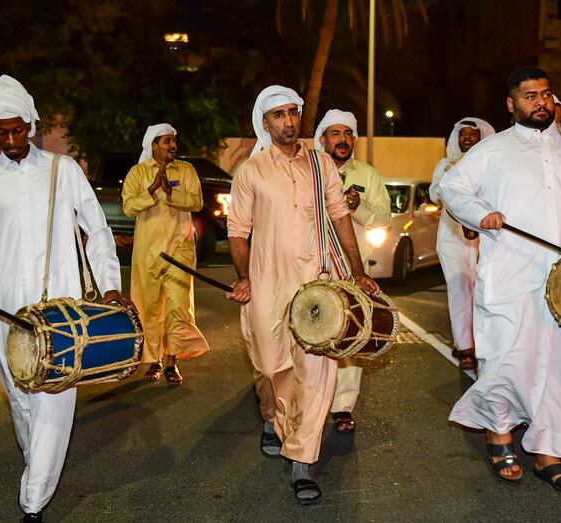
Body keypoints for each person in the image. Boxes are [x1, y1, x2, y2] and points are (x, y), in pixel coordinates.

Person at [438, 67, 561, 495]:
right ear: (511, 105)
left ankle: (551, 453)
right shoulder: (494, 149)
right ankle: (499, 434)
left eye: (546, 94)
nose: (541, 103)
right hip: (512, 275)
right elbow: (453, 187)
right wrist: (480, 214)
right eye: (530, 96)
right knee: (507, 360)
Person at [0, 75, 130, 522]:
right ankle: (36, 474)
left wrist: (110, 287)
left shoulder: (64, 171)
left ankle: (32, 504)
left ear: (32, 123)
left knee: (52, 406)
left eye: (18, 130)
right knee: (22, 402)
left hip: (59, 315)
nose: (11, 140)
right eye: (1, 133)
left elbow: (97, 231)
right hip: (0, 311)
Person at [226, 85, 380, 504]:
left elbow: (340, 217)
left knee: (315, 373)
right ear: (265, 122)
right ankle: (273, 417)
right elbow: (238, 231)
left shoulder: (321, 164)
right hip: (265, 281)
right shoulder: (250, 172)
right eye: (279, 115)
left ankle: (301, 459)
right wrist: (244, 276)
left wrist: (357, 271)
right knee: (271, 367)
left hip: (316, 282)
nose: (289, 122)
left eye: (294, 113)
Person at [314, 109, 391, 432]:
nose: (343, 139)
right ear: (322, 139)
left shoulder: (368, 174)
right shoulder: (310, 169)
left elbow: (383, 219)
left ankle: (343, 406)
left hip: (353, 270)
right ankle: (312, 398)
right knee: (313, 328)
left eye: (348, 134)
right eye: (335, 133)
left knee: (349, 332)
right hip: (315, 265)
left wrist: (358, 208)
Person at [122, 124, 209, 385]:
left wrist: (170, 192)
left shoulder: (186, 170)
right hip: (148, 252)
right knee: (149, 307)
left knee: (177, 306)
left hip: (179, 249)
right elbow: (128, 207)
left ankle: (172, 361)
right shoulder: (138, 173)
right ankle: (154, 359)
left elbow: (196, 202)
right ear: (154, 145)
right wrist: (151, 191)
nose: (173, 146)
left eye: (174, 141)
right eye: (167, 141)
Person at [428, 117, 495, 371]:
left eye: (472, 134)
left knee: (483, 288)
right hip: (452, 235)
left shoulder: (489, 164)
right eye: (462, 134)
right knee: (459, 288)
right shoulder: (445, 164)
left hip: (484, 235)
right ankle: (465, 347)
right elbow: (435, 193)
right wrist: (449, 174)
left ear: (481, 138)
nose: (467, 138)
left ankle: (484, 343)